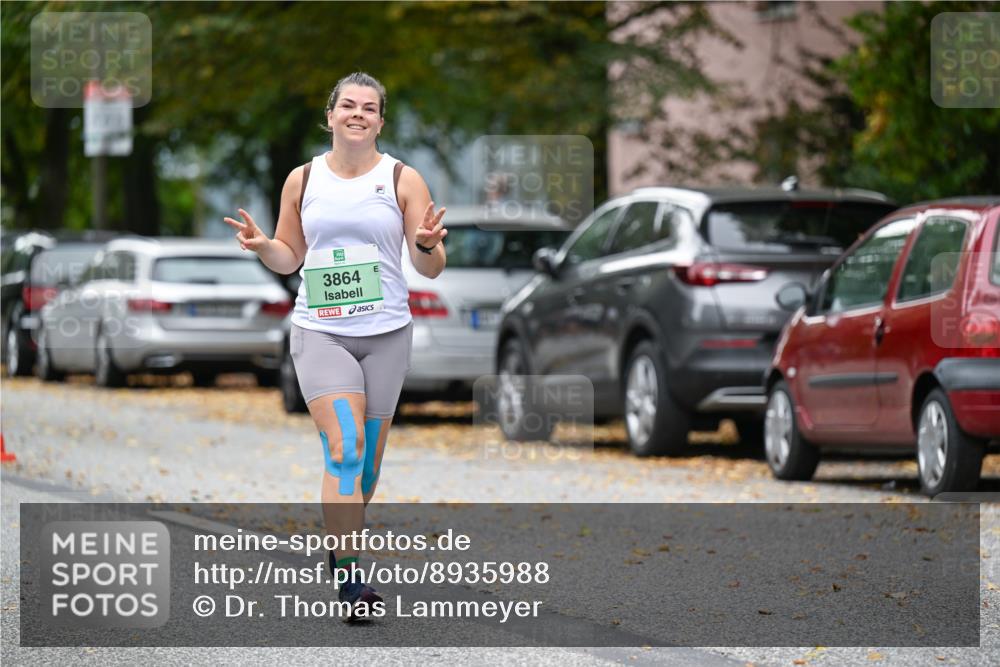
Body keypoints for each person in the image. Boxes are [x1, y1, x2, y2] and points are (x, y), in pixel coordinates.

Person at [224, 72, 447, 618]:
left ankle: (337, 543)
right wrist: (262, 247)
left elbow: (431, 267)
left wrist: (424, 246)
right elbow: (289, 256)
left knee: (366, 469)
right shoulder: (303, 180)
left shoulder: (402, 178)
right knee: (344, 450)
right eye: (348, 105)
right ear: (330, 116)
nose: (358, 114)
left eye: (369, 108)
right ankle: (351, 581)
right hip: (321, 331)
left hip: (387, 334)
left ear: (380, 121)